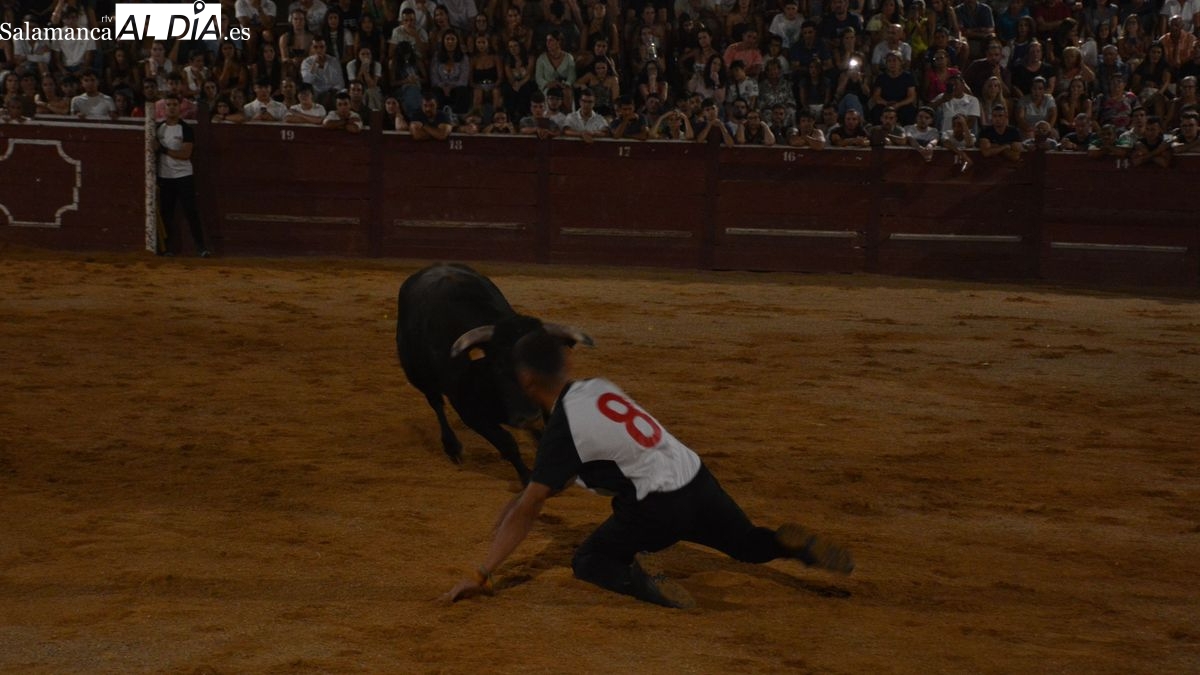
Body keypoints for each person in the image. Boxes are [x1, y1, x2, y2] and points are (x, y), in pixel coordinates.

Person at [442, 330, 855, 609]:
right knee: (746, 545)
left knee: (589, 560)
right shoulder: (600, 387)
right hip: (696, 476)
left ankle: (645, 583)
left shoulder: (561, 432)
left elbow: (535, 503)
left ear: (528, 381)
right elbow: (564, 473)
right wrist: (524, 497)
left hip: (659, 505)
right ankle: (786, 544)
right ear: (565, 363)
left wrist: (482, 575)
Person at [153, 95, 211, 258]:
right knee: (166, 213)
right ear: (164, 108)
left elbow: (185, 154)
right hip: (165, 176)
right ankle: (166, 248)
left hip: (183, 176)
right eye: (168, 104)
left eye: (174, 105)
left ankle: (201, 247)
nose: (171, 107)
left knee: (191, 212)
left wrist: (162, 149)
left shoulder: (186, 129)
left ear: (180, 108)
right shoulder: (158, 128)